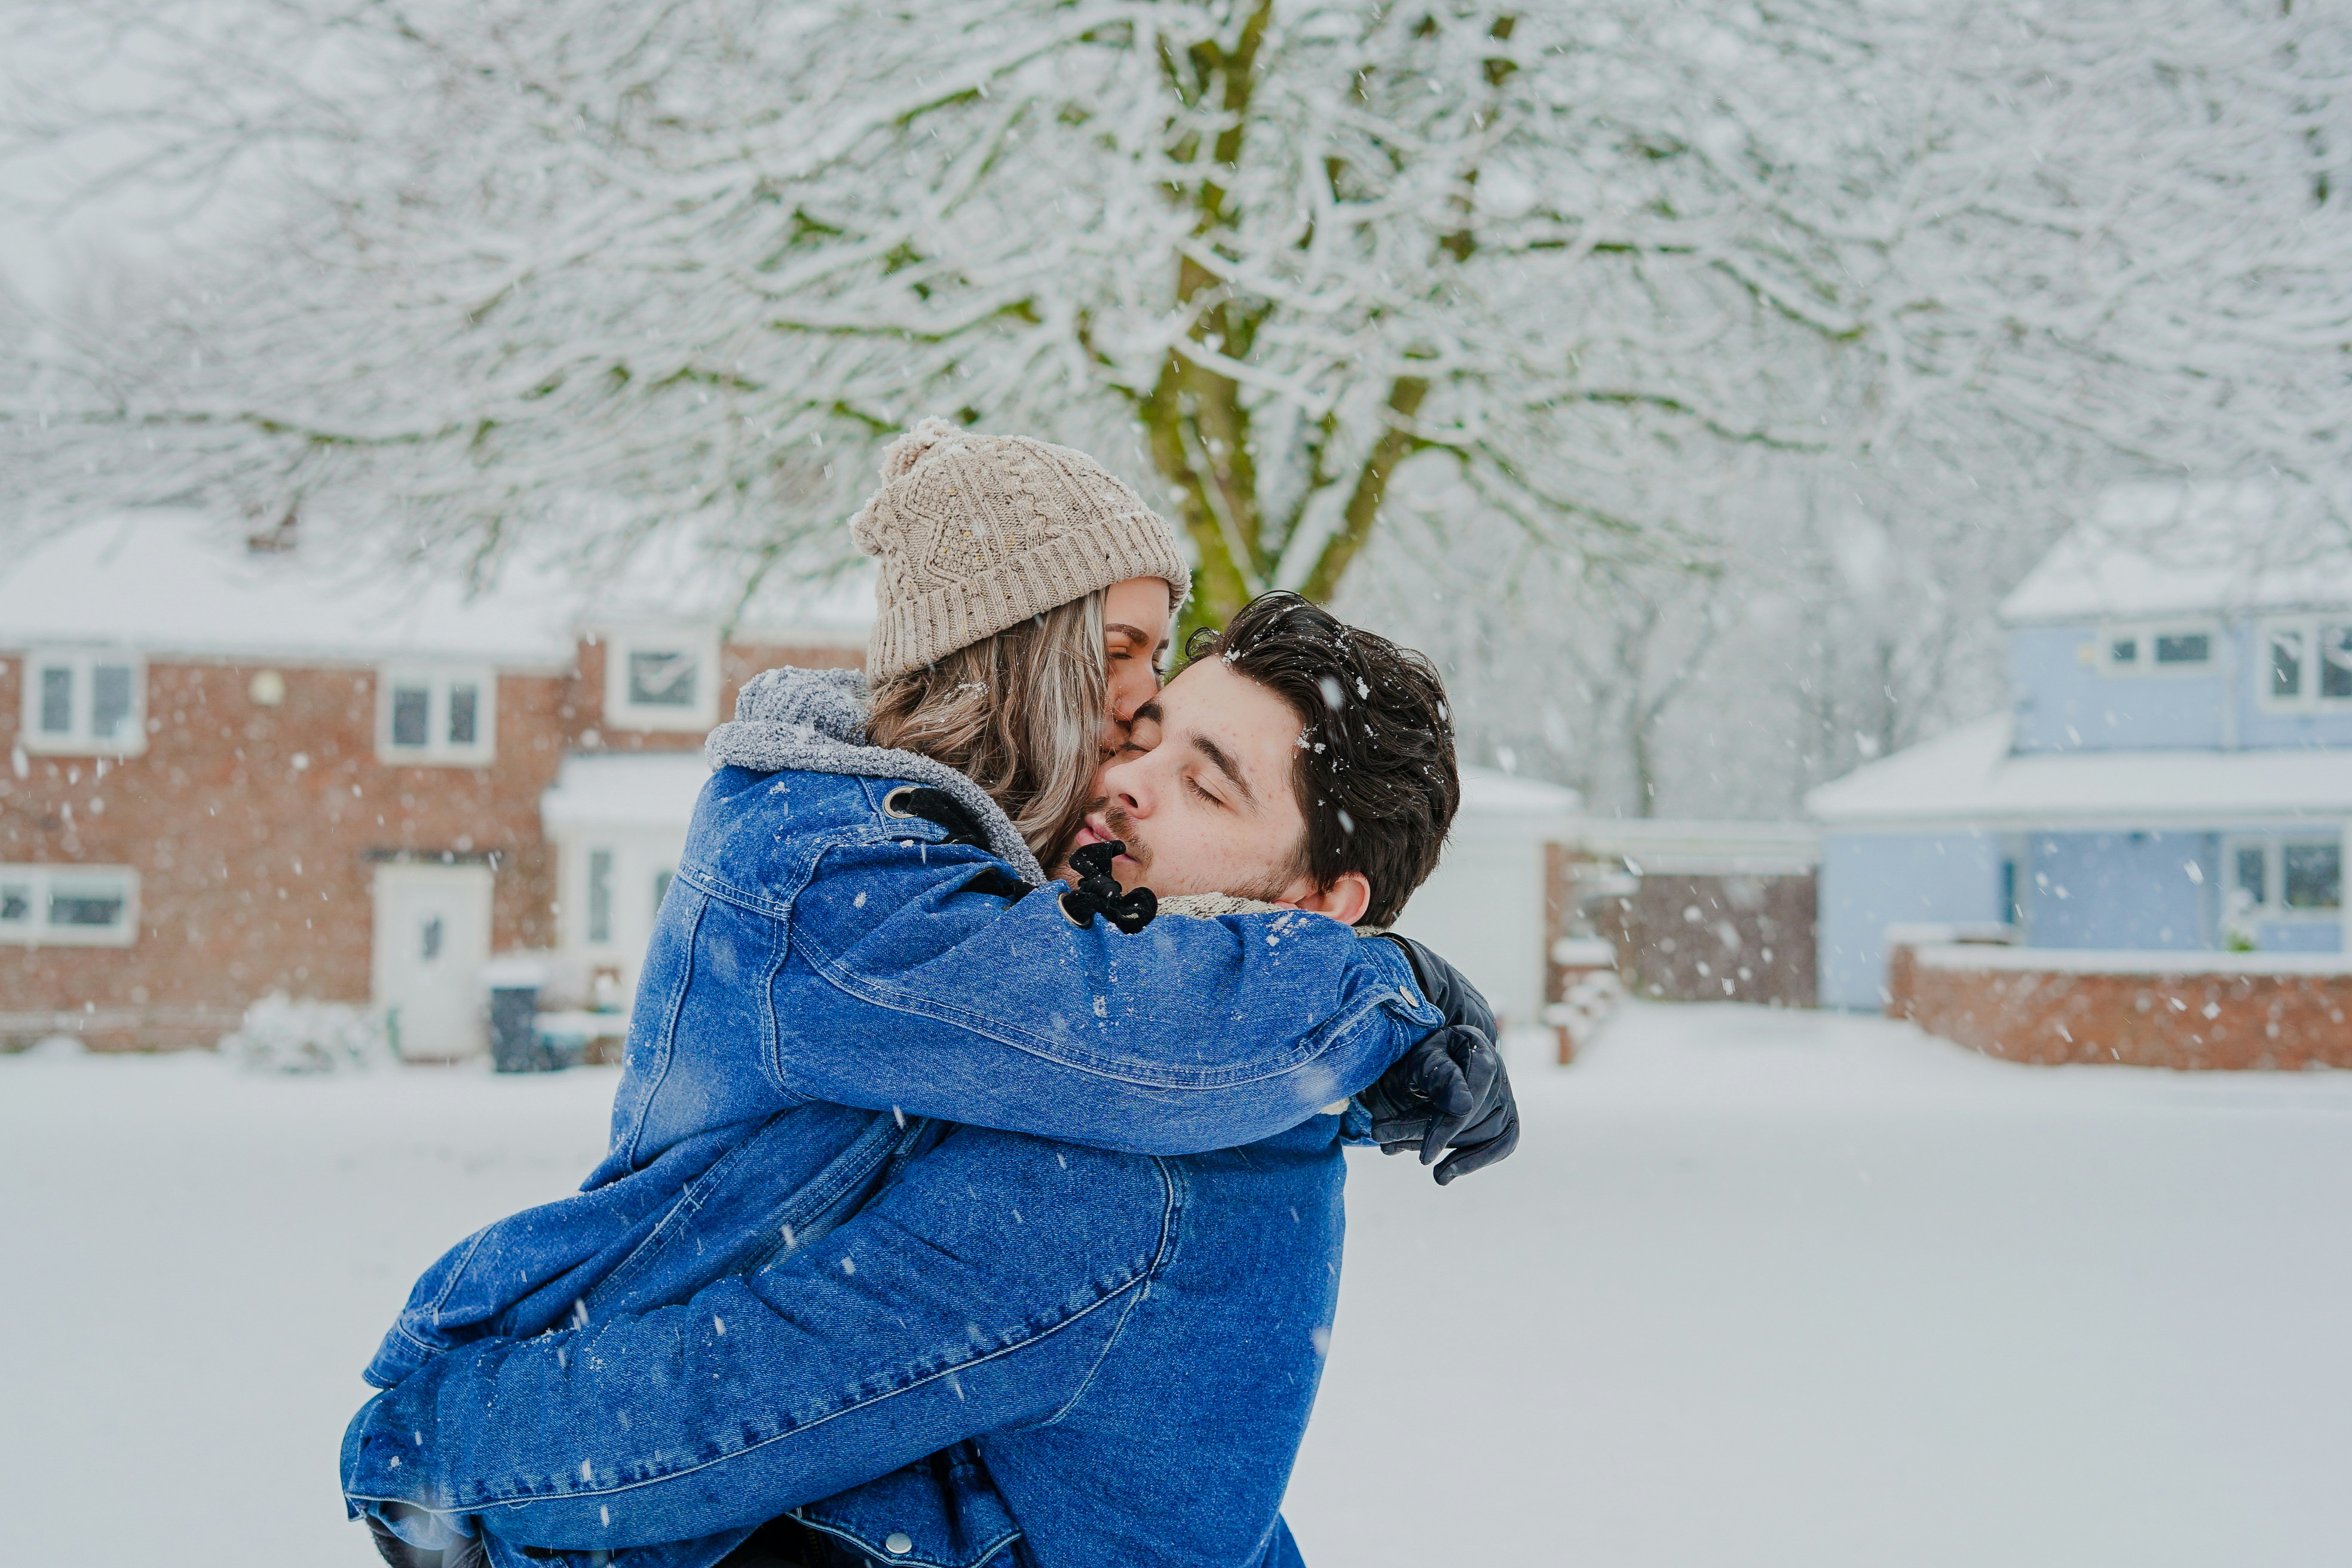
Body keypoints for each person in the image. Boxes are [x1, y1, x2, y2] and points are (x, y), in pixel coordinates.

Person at [344, 426, 1511, 1566]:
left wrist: (438, 1456)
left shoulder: (1114, 1166)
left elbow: (741, 1393)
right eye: (1135, 702)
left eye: (1203, 786)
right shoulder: (898, 912)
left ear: (1319, 908)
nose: (1126, 770)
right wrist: (1392, 999)